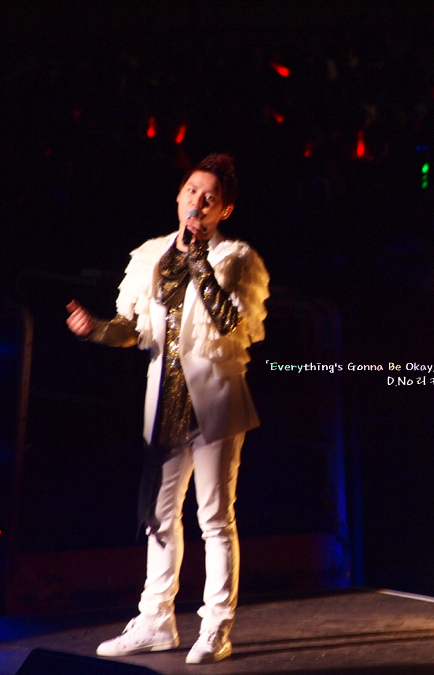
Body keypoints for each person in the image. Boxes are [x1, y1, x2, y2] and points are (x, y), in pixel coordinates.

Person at [66, 153, 269, 664]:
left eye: (210, 197)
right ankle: (156, 620)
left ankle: (216, 625)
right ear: (179, 196)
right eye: (192, 191)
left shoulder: (236, 257)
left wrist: (199, 260)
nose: (198, 202)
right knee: (159, 516)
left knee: (214, 517)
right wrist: (95, 330)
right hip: (165, 402)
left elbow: (229, 323)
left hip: (215, 403)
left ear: (224, 210)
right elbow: (130, 327)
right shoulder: (151, 255)